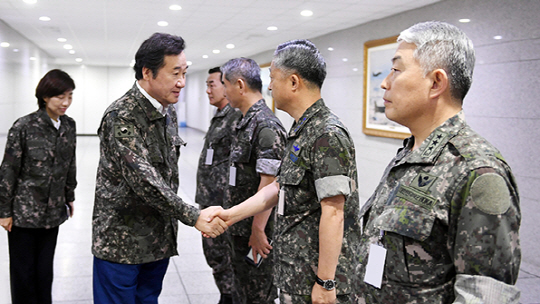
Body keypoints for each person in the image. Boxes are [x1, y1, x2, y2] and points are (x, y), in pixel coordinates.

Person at [354, 21, 521, 303]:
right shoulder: (410, 153)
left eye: (396, 69)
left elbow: (484, 296)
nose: (385, 82)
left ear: (436, 83)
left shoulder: (477, 170)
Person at [214, 40, 361, 304]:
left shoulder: (326, 133)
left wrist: (326, 282)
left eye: (272, 78)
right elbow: (277, 187)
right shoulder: (302, 130)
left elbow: (334, 212)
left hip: (315, 281)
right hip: (297, 273)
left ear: (293, 82)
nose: (269, 86)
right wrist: (229, 215)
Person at [91, 32, 227, 304]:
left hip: (157, 239)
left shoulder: (167, 110)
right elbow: (144, 179)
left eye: (185, 73)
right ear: (147, 72)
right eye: (175, 73)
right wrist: (193, 215)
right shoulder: (122, 116)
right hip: (121, 244)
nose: (182, 83)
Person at [0, 69, 77, 304]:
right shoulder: (24, 126)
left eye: (70, 96)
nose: (66, 102)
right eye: (59, 97)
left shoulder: (69, 126)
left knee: (45, 271)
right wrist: (4, 212)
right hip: (23, 214)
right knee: (24, 273)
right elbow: (8, 170)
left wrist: (69, 196)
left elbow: (69, 164)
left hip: (52, 213)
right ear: (45, 97)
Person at [220, 57, 286, 304]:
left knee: (257, 295)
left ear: (239, 85)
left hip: (257, 233)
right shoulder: (246, 120)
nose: (224, 92)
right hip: (241, 228)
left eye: (225, 85)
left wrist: (258, 229)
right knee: (242, 291)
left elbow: (269, 183)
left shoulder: (265, 125)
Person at [196, 66, 242, 304]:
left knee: (224, 255)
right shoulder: (220, 116)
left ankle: (229, 296)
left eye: (212, 84)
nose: (207, 90)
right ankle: (226, 294)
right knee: (214, 255)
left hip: (223, 206)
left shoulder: (236, 118)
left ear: (227, 85)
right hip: (211, 201)